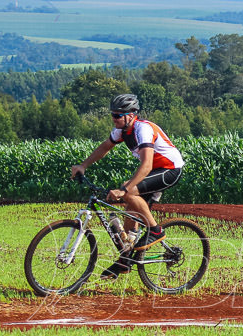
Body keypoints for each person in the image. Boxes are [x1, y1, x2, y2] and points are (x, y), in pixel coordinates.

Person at [69, 94, 185, 280]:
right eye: (113, 114)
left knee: (129, 191)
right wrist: (83, 165)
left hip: (169, 169)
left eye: (118, 115)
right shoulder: (122, 131)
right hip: (155, 170)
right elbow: (105, 147)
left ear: (131, 115)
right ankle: (125, 260)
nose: (114, 118)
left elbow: (146, 165)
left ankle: (155, 231)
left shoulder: (143, 129)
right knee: (131, 210)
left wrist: (125, 189)